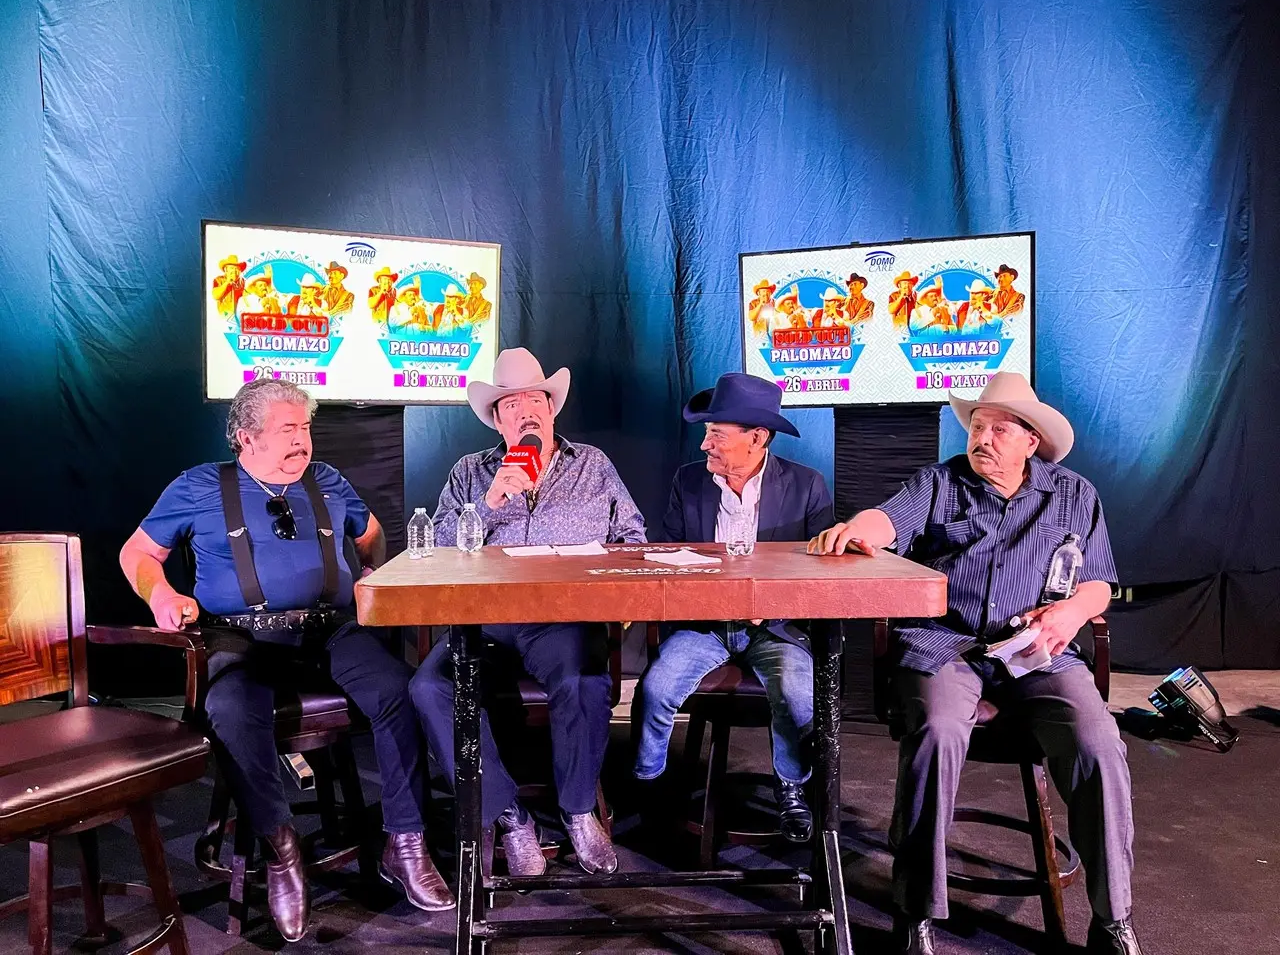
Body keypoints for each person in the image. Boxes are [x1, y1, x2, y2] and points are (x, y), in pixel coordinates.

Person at [809, 372, 1143, 955]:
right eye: (978, 426)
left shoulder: (1075, 495)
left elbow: (1098, 584)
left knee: (1098, 740)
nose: (981, 437)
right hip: (947, 644)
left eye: (999, 428)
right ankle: (916, 912)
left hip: (1039, 649)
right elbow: (884, 523)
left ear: (1031, 441)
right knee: (937, 732)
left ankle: (1112, 916)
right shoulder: (939, 484)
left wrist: (1067, 616)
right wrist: (853, 530)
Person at [119, 380, 454, 942]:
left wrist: (372, 574)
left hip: (329, 632)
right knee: (231, 709)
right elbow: (138, 553)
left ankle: (406, 842)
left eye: (305, 428)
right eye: (288, 431)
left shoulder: (327, 480)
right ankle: (280, 849)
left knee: (402, 692)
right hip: (241, 639)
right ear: (246, 438)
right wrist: (161, 595)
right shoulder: (200, 486)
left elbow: (369, 532)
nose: (303, 441)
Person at [410, 347, 646, 879]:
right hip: (484, 623)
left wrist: (603, 580)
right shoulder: (471, 472)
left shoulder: (593, 465)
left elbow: (634, 540)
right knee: (429, 687)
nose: (526, 411)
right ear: (497, 420)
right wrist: (486, 507)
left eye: (535, 400)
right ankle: (510, 817)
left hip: (559, 621)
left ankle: (580, 811)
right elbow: (434, 550)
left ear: (552, 408)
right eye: (511, 404)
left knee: (585, 679)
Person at [633, 373, 833, 841]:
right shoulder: (690, 482)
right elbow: (668, 554)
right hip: (706, 625)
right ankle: (649, 783)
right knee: (656, 688)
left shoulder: (806, 486)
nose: (705, 445)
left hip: (776, 628)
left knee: (798, 694)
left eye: (716, 434)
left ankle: (793, 788)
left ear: (757, 438)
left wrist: (773, 604)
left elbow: (823, 573)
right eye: (706, 433)